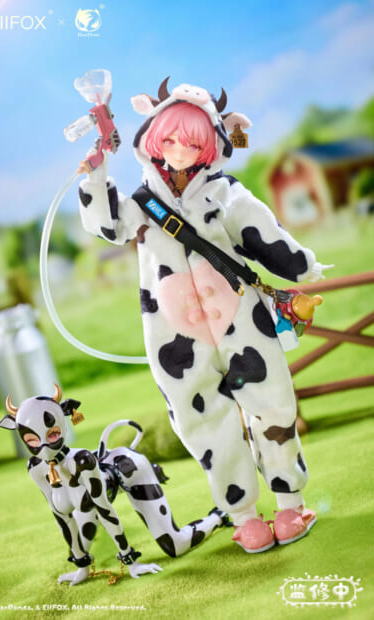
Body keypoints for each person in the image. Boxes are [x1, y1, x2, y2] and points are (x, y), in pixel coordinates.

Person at [77, 78, 328, 553]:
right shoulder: (140, 206)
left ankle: (289, 504)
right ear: (152, 139)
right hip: (173, 336)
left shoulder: (224, 194)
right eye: (170, 139)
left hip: (243, 321)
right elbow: (107, 223)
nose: (180, 150)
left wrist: (301, 265)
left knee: (271, 405)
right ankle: (244, 516)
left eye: (193, 142)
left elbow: (262, 232)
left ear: (212, 143)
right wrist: (96, 172)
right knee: (203, 421)